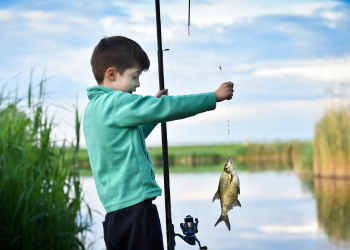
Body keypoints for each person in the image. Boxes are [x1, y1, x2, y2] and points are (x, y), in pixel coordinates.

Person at [83, 35, 233, 250]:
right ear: (112, 74)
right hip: (137, 213)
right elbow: (168, 107)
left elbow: (129, 138)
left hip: (114, 218)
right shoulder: (117, 102)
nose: (138, 84)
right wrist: (213, 97)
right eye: (134, 77)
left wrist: (151, 109)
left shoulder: (92, 110)